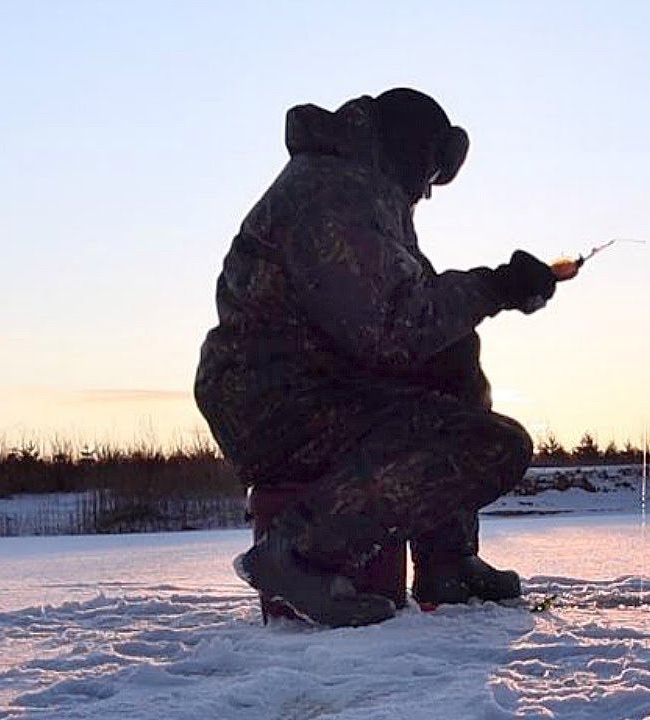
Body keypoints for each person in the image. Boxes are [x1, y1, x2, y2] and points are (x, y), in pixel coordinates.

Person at [194, 88, 557, 627]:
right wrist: (494, 287)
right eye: (431, 175)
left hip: (319, 385)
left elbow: (417, 314)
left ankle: (447, 564)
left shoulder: (365, 189)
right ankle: (297, 555)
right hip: (274, 403)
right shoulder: (333, 193)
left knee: (453, 352)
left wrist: (498, 291)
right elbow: (393, 329)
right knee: (494, 445)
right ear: (411, 153)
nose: (428, 192)